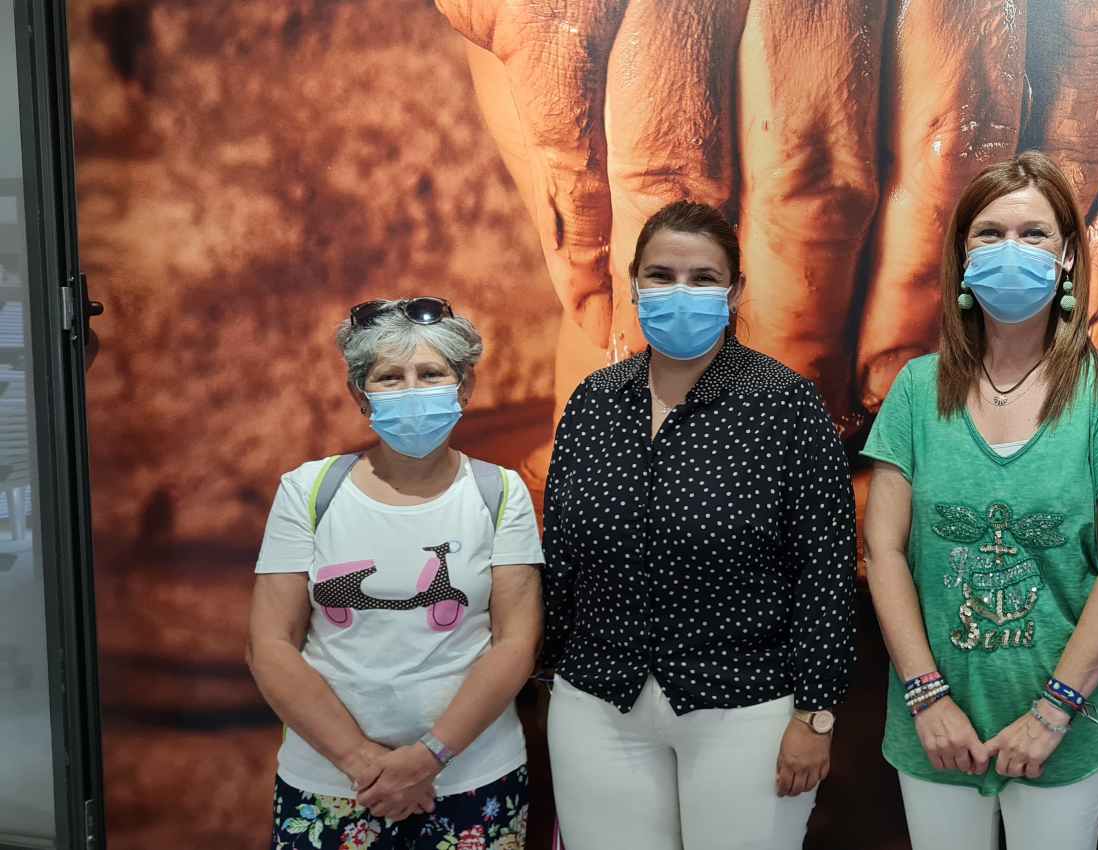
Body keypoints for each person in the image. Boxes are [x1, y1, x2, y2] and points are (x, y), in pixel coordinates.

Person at [861, 151, 1098, 850]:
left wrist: (1052, 713)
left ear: (1066, 256)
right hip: (936, 725)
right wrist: (925, 698)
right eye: (988, 232)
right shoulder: (915, 391)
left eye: (1033, 234)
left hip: (1067, 726)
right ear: (960, 258)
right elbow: (882, 551)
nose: (1011, 250)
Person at [538, 200, 857, 850]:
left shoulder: (784, 405)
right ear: (632, 283)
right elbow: (560, 555)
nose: (678, 293)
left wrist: (815, 717)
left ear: (735, 289)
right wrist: (548, 674)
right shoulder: (596, 401)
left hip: (746, 708)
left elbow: (826, 573)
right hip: (598, 704)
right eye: (660, 275)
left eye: (702, 278)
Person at [248, 297, 544, 850]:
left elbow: (515, 643)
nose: (412, 389)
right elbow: (269, 645)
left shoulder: (501, 493)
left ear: (465, 387)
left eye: (431, 373)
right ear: (361, 395)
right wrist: (365, 764)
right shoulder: (308, 491)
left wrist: (427, 758)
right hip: (331, 787)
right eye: (390, 377)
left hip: (473, 781)